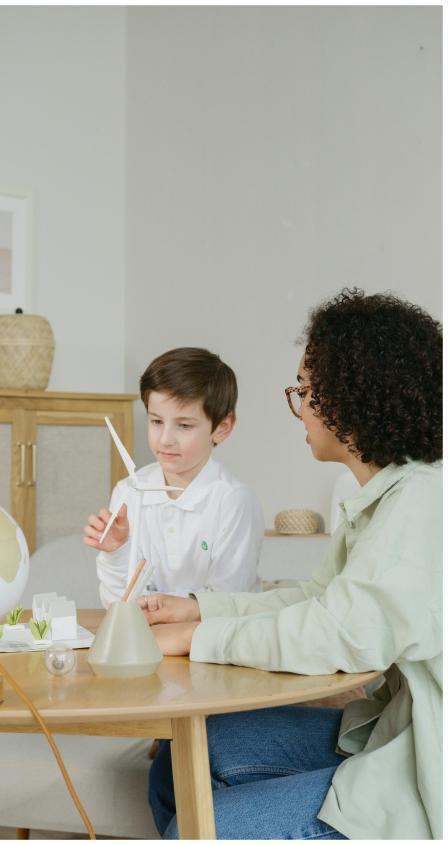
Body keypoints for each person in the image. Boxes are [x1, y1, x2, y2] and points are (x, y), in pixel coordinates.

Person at [141, 289, 442, 840]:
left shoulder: (422, 505)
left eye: (305, 391)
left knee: (198, 827)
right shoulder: (384, 498)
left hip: (423, 776)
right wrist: (198, 610)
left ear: (351, 400)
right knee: (182, 754)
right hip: (388, 736)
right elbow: (315, 599)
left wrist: (199, 640)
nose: (299, 407)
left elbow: (339, 634)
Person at [84, 347, 264, 607]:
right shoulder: (129, 492)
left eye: (184, 425)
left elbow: (228, 603)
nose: (166, 439)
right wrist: (116, 552)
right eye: (156, 421)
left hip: (215, 642)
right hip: (149, 638)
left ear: (221, 428)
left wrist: (158, 610)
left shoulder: (233, 501)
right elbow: (118, 604)